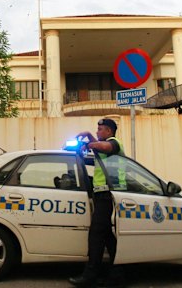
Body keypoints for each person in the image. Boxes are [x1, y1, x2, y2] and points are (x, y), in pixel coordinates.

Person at [69, 118, 126, 287]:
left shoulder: (114, 144)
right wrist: (86, 139)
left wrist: (89, 144)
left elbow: (106, 146)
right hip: (103, 195)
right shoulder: (102, 151)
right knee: (107, 236)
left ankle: (90, 275)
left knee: (96, 235)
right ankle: (117, 275)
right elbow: (97, 153)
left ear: (109, 131)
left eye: (100, 129)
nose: (97, 132)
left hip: (109, 194)